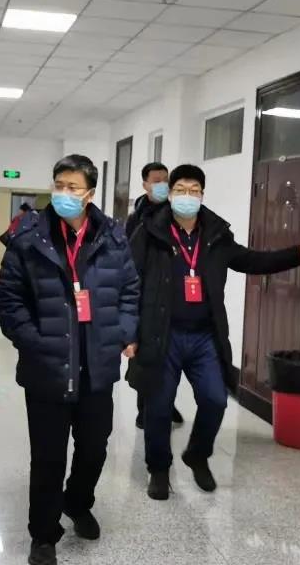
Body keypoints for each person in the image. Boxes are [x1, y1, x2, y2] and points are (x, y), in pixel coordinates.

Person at [127, 164, 300, 501]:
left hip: (204, 335)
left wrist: (296, 255)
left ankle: (197, 455)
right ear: (170, 194)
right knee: (158, 407)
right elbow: (130, 283)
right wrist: (128, 333)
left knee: (215, 399)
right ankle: (158, 469)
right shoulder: (149, 233)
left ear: (202, 195)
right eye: (181, 190)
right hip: (162, 334)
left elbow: (251, 260)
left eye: (194, 191)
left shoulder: (216, 235)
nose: (187, 196)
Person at [0, 155, 140, 565]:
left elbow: (130, 290)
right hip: (47, 366)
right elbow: (8, 299)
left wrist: (123, 333)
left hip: (97, 366)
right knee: (48, 457)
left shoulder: (113, 237)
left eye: (72, 187)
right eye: (59, 185)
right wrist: (34, 341)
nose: (63, 193)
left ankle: (77, 503)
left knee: (94, 448)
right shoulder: (28, 237)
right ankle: (43, 535)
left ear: (90, 193)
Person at [124, 162, 183, 429]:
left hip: (170, 294)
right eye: (156, 180)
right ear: (145, 185)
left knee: (168, 357)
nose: (162, 185)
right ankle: (144, 410)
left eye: (165, 180)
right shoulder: (136, 218)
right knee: (145, 359)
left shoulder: (176, 214)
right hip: (144, 294)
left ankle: (165, 404)